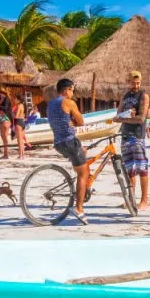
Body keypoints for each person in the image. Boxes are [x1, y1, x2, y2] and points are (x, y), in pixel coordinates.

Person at [47, 78, 89, 224]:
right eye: (72, 90)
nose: (73, 93)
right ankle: (79, 208)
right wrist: (73, 120)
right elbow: (81, 122)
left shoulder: (51, 104)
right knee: (84, 173)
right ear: (66, 90)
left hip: (58, 143)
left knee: (83, 151)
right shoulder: (69, 102)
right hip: (70, 141)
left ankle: (81, 189)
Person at [117, 71, 150, 210]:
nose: (136, 85)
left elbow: (141, 119)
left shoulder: (143, 96)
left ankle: (144, 201)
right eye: (133, 82)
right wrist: (126, 116)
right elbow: (117, 115)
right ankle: (131, 199)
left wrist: (124, 118)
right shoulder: (125, 96)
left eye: (138, 83)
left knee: (142, 169)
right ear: (129, 82)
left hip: (137, 136)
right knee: (129, 169)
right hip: (125, 135)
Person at [0, 87, 13, 159]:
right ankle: (5, 154)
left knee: (5, 136)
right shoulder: (1, 98)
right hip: (1, 118)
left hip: (6, 118)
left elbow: (5, 108)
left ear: (1, 93)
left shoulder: (6, 99)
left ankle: (6, 154)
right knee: (3, 136)